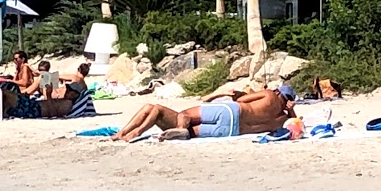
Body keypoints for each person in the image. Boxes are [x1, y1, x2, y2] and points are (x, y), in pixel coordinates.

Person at [115, 84, 296, 142]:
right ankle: (183, 131)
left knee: (173, 112)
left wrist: (222, 94)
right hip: (232, 130)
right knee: (191, 131)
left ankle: (128, 133)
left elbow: (241, 102)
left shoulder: (269, 94)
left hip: (231, 111)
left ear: (279, 91)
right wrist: (291, 110)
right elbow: (296, 126)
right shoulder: (282, 118)